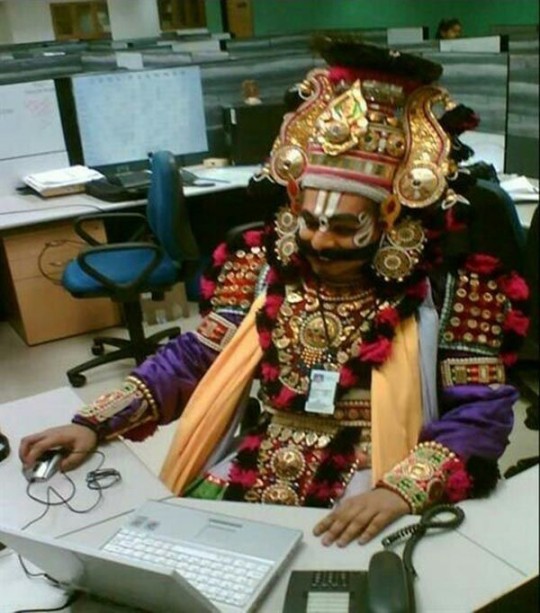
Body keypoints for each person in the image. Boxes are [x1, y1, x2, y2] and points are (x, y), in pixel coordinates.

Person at [20, 36, 529, 549]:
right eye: (310, 221)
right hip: (257, 457)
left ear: (390, 219)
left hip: (377, 473)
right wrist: (96, 422)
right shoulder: (261, 272)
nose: (320, 241)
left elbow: (480, 415)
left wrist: (403, 489)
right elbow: (192, 359)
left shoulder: (451, 292)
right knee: (179, 553)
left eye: (344, 227)